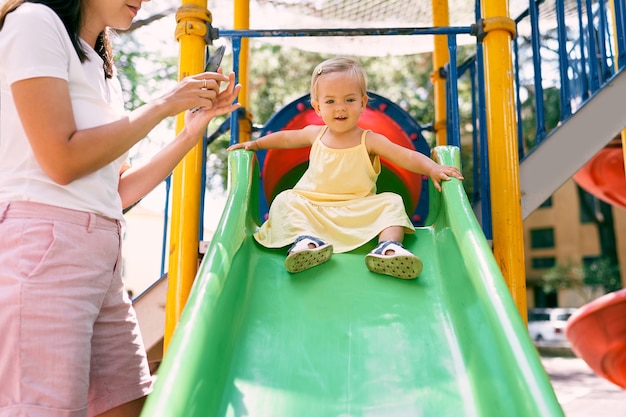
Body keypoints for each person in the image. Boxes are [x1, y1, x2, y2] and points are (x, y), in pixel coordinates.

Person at [0, 1, 240, 416]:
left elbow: (118, 191)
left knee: (126, 405)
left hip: (103, 255)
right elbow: (62, 160)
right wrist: (164, 104)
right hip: (44, 247)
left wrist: (191, 130)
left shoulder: (100, 65)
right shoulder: (34, 22)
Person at [228, 57, 463, 280]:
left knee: (391, 201)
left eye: (349, 100)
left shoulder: (369, 140)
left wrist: (433, 168)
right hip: (314, 208)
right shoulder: (315, 134)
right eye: (330, 101)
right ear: (318, 107)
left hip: (356, 209)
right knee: (285, 200)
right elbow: (287, 138)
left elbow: (406, 156)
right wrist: (256, 144)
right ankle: (306, 242)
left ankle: (389, 248)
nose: (340, 108)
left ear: (362, 103)